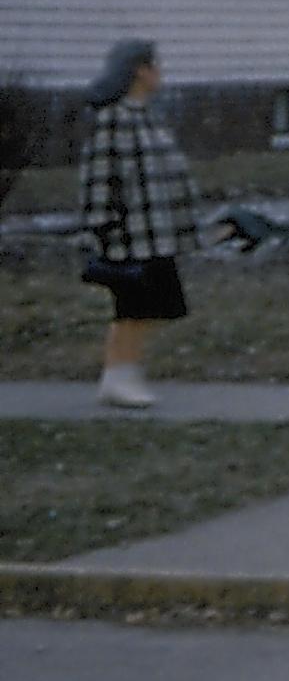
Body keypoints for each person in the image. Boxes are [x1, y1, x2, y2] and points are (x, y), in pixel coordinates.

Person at [77, 39, 200, 410]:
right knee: (132, 309)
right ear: (139, 71)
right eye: (155, 65)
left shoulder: (145, 115)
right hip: (127, 236)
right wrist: (102, 229)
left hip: (155, 233)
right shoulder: (113, 119)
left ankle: (126, 373)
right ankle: (117, 377)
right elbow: (100, 178)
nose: (160, 72)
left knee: (152, 308)